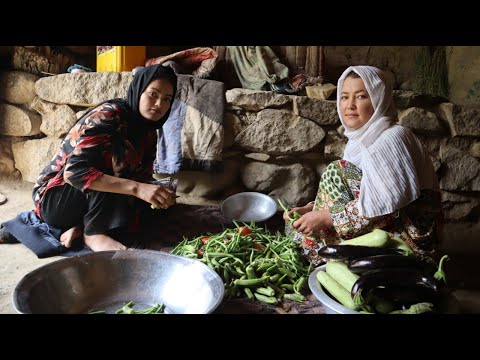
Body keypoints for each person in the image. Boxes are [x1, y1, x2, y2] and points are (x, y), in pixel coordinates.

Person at [2, 65, 178, 252]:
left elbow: (140, 178)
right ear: (139, 90)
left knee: (155, 204)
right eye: (153, 94)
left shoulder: (149, 132)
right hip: (59, 199)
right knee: (115, 176)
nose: (159, 104)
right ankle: (93, 234)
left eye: (167, 99)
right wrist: (137, 188)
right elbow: (75, 173)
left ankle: (80, 228)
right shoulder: (108, 115)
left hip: (96, 202)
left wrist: (154, 192)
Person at [283, 65, 441, 266]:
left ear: (378, 100)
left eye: (361, 96)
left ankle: (326, 256)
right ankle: (325, 252)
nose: (350, 105)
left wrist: (326, 217)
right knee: (299, 225)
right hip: (380, 224)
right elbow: (361, 191)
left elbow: (386, 208)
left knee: (336, 172)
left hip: (409, 239)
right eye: (345, 97)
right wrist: (311, 209)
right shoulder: (360, 140)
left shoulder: (392, 137)